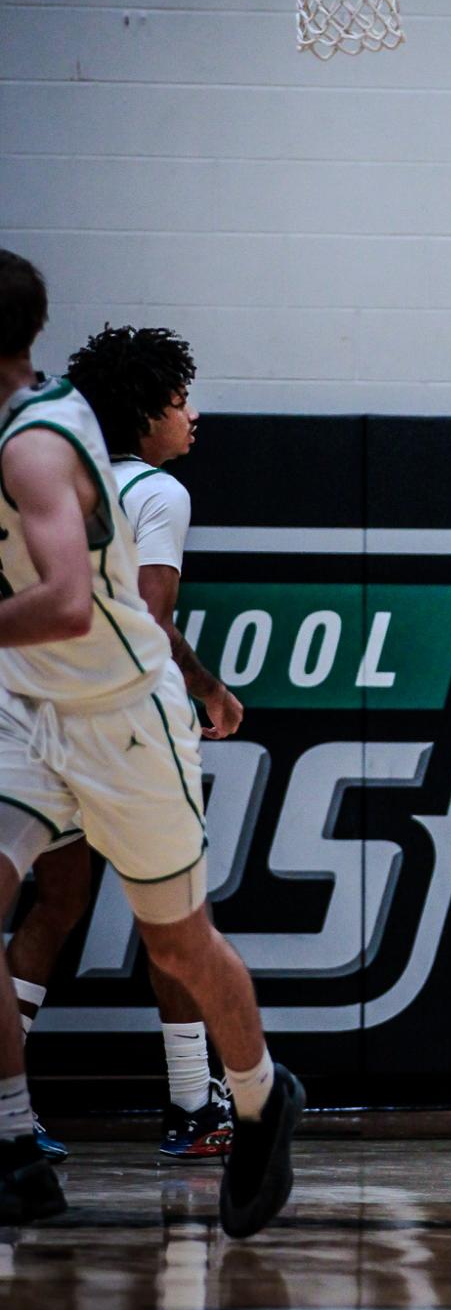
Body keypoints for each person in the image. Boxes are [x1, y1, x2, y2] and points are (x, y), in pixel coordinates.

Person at [0, 251, 300, 1235]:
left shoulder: (42, 446)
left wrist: (206, 685)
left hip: (123, 713)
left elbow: (71, 599)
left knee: (175, 939)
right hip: (26, 713)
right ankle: (14, 1138)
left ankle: (254, 1098)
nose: (193, 412)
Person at [6, 324, 247, 1161]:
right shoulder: (155, 492)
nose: (192, 417)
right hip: (125, 722)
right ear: (145, 412)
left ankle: (10, 1112)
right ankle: (194, 1104)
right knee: (175, 923)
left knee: (53, 906)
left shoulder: (44, 470)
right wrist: (210, 685)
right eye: (180, 401)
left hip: (40, 713)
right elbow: (147, 615)